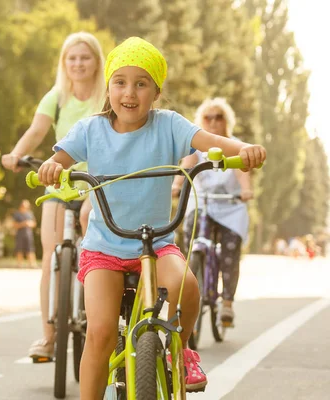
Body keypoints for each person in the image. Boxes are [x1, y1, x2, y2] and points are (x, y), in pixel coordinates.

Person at [36, 37, 266, 396]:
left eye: (141, 83)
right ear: (108, 86)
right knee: (99, 334)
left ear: (156, 91)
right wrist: (52, 167)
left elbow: (211, 141)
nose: (130, 92)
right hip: (104, 247)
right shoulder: (90, 130)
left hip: (156, 244)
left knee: (188, 286)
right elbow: (60, 158)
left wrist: (244, 150)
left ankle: (185, 349)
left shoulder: (169, 126)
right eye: (120, 82)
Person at [1, 32, 106, 359]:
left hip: (96, 183)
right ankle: (48, 337)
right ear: (64, 63)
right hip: (60, 180)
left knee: (96, 253)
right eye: (72, 58)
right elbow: (36, 131)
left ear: (96, 62)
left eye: (84, 57)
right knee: (50, 255)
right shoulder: (57, 97)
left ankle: (96, 317)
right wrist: (16, 154)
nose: (78, 64)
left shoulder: (104, 96)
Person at [172, 97, 253, 327]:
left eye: (219, 117)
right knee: (190, 233)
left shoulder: (234, 145)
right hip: (203, 203)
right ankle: (193, 284)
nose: (214, 122)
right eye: (208, 117)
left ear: (227, 121)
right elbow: (186, 167)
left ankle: (227, 304)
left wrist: (246, 190)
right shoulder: (196, 148)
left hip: (230, 205)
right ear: (201, 121)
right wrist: (177, 186)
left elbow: (242, 173)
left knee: (230, 249)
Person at [12, 199, 38, 268]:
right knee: (19, 249)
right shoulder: (17, 214)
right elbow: (14, 225)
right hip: (20, 234)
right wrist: (23, 224)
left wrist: (30, 224)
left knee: (30, 249)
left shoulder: (30, 213)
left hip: (28, 234)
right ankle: (19, 264)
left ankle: (32, 264)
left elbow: (34, 223)